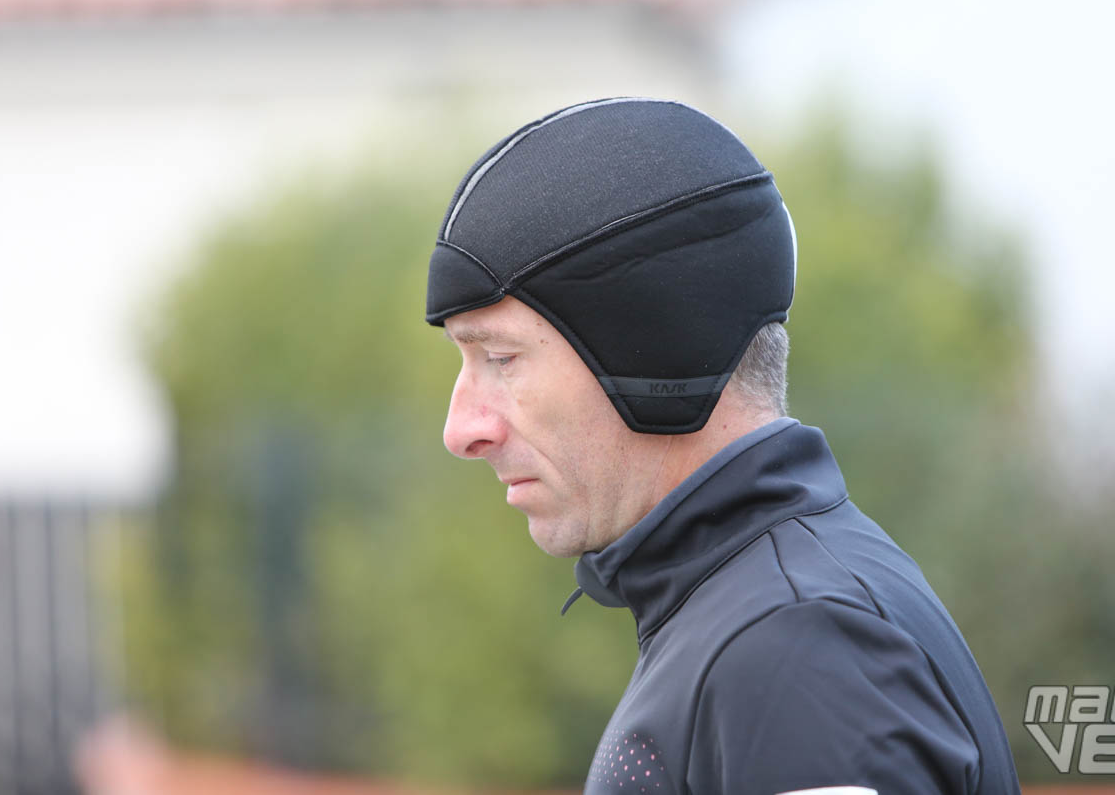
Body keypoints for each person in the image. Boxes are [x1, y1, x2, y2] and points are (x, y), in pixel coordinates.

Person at [426, 97, 1020, 794]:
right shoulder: (752, 614)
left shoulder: (795, 648)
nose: (462, 427)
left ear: (653, 349)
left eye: (501, 359)